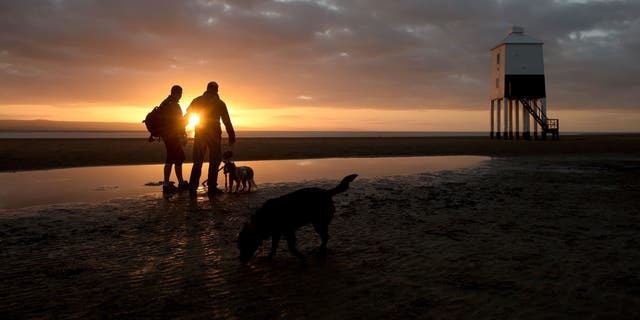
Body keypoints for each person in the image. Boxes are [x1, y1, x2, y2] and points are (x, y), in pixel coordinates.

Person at [186, 81, 236, 196]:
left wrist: (180, 131)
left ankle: (192, 189)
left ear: (207, 89)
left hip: (200, 134)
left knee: (197, 162)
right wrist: (231, 136)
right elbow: (227, 121)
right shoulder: (220, 103)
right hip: (214, 135)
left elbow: (187, 116)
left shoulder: (196, 100)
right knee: (215, 161)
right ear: (217, 90)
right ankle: (212, 188)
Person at [159, 85, 188, 193]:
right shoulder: (174, 105)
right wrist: (183, 135)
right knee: (175, 159)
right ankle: (171, 184)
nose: (181, 96)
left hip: (166, 135)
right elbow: (179, 122)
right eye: (180, 93)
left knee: (173, 158)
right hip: (173, 136)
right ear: (177, 93)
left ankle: (174, 182)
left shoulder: (165, 102)